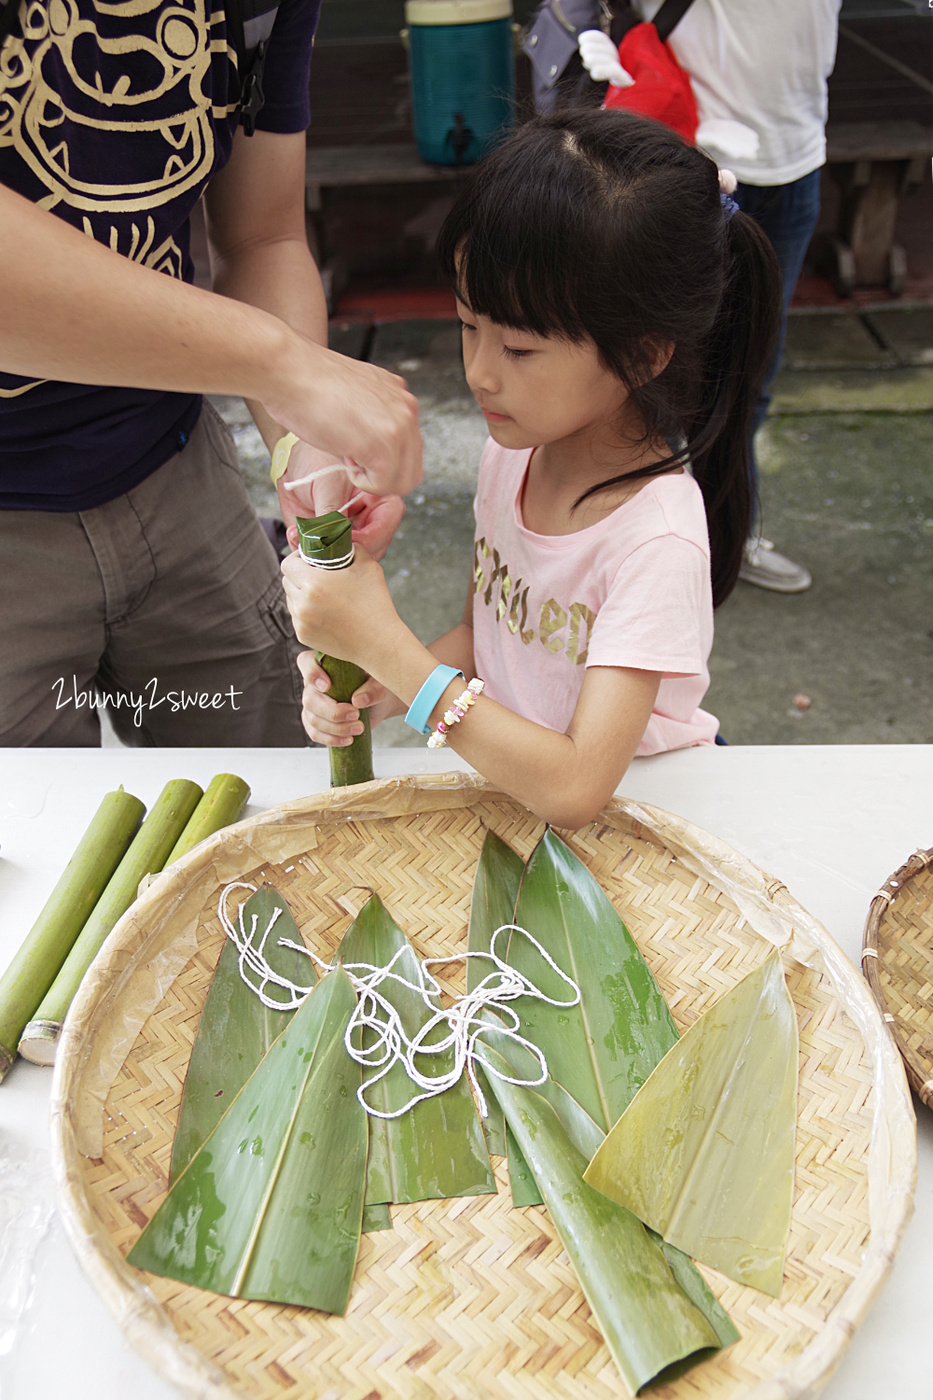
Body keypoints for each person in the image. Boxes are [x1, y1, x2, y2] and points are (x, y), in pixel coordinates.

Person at [282, 108, 781, 828]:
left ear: (643, 353)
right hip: (521, 804)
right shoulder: (510, 458)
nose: (480, 373)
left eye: (518, 350)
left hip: (644, 824)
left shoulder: (655, 540)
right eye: (467, 325)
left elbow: (578, 788)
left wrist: (385, 647)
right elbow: (484, 642)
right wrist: (376, 683)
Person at [0, 0, 420, 747]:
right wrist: (288, 366)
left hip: (174, 464)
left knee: (274, 803)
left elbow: (263, 234)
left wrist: (309, 455)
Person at [622, 0, 843, 593]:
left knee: (752, 374)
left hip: (796, 156)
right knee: (656, 370)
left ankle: (726, 536)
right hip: (686, 154)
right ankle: (636, 546)